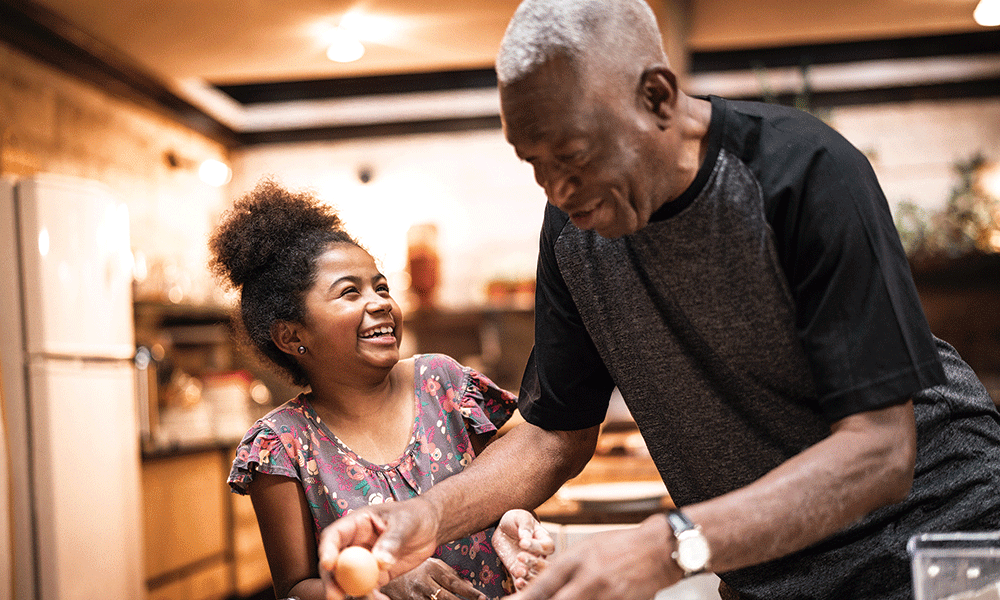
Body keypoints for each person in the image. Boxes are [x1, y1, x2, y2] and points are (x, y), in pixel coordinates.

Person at [316, 1, 1000, 600]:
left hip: (939, 543)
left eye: (574, 155)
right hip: (767, 571)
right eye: (535, 165)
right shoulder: (574, 234)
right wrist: (427, 515)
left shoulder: (802, 173)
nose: (559, 189)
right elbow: (556, 431)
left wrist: (667, 545)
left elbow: (880, 452)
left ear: (658, 97)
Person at [208, 179, 553, 600]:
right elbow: (294, 588)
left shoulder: (444, 384)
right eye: (350, 292)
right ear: (291, 335)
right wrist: (381, 584)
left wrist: (516, 517)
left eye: (382, 287)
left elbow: (506, 478)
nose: (380, 302)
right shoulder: (281, 445)